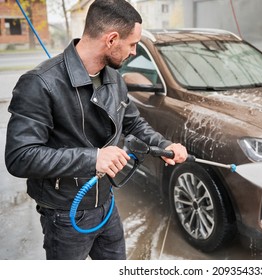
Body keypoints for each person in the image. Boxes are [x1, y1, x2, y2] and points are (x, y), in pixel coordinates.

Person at [5, 0, 187, 260]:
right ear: (111, 39)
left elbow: (132, 122)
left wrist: (164, 145)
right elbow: (19, 157)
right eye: (132, 44)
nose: (134, 52)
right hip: (65, 212)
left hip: (106, 202)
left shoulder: (113, 76)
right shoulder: (40, 83)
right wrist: (93, 158)